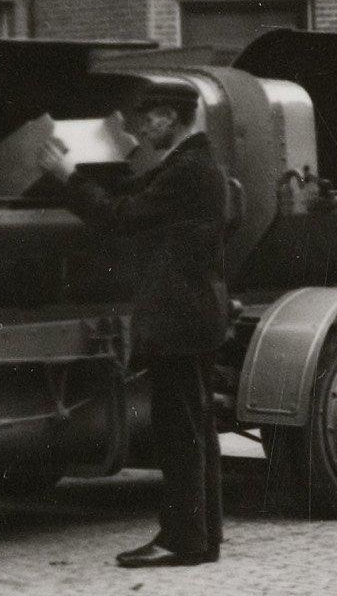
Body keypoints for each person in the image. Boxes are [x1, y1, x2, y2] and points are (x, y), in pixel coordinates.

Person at [35, 78, 232, 569]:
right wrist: (98, 164)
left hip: (179, 318)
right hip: (193, 314)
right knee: (195, 429)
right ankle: (202, 537)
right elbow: (131, 191)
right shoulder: (191, 165)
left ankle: (183, 540)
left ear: (169, 116)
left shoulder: (188, 170)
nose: (143, 129)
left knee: (180, 433)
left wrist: (65, 177)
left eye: (147, 119)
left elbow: (118, 216)